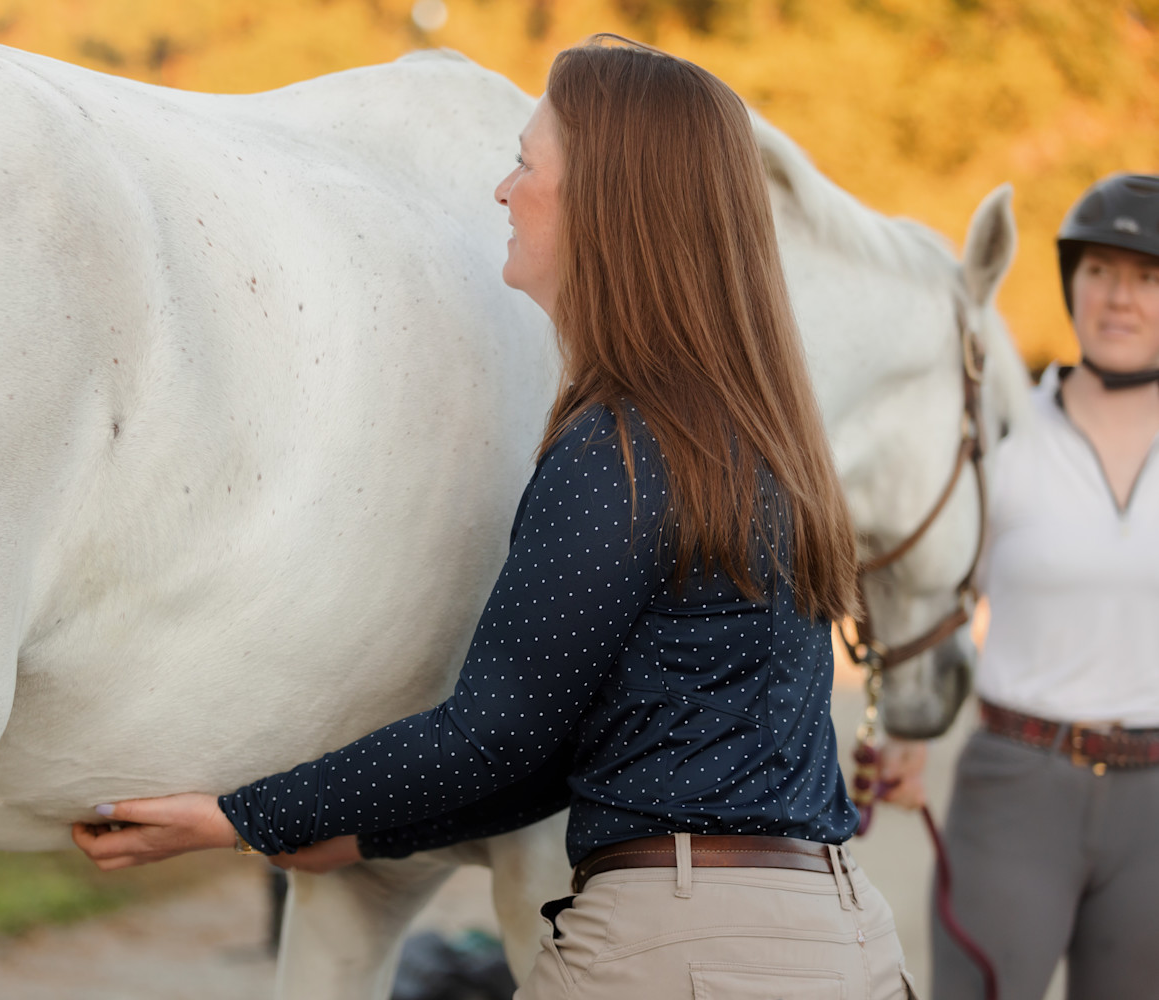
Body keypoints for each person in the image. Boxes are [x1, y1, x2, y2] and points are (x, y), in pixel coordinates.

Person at [73, 37, 913, 998]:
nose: (506, 191)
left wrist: (239, 817)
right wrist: (366, 834)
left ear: (607, 207)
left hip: (677, 954)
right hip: (838, 941)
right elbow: (585, 753)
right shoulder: (757, 443)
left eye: (527, 162)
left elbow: (494, 732)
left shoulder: (623, 453)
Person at [922, 174, 1159, 1000]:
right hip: (1018, 784)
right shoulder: (1008, 434)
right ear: (1072, 283)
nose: (1119, 298)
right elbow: (934, 603)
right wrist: (904, 743)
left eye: (1147, 277)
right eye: (1099, 271)